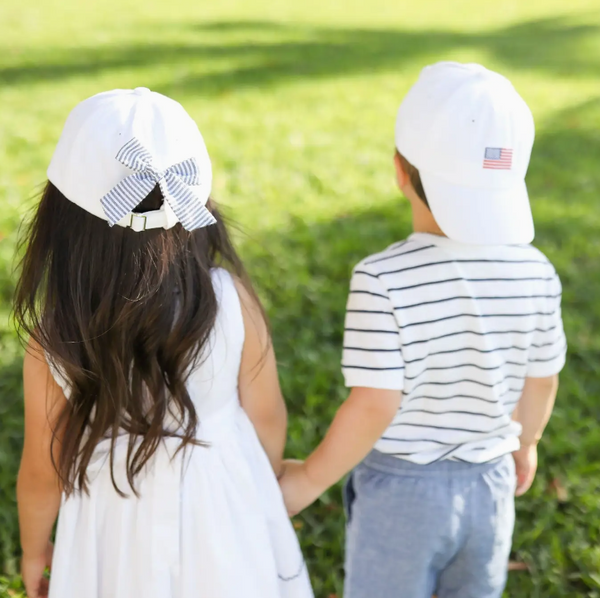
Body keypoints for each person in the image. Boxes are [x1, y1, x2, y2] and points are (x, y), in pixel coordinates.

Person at [279, 62, 567, 598]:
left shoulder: (383, 278)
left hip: (402, 495)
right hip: (491, 484)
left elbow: (374, 404)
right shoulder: (536, 269)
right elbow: (542, 379)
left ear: (400, 170)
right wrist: (525, 443)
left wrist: (311, 477)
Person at [15, 87, 313, 598]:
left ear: (60, 215)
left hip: (112, 520)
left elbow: (44, 468)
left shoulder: (56, 334)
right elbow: (267, 419)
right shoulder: (229, 298)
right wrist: (258, 489)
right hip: (221, 506)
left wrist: (34, 551)